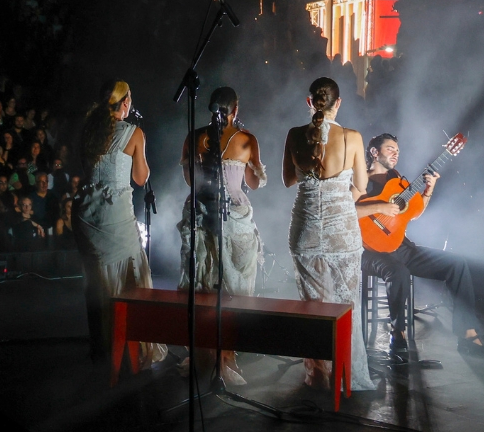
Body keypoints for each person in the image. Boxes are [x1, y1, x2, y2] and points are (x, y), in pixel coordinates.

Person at [282, 77, 374, 393]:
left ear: (310, 103)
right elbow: (361, 186)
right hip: (342, 230)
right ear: (339, 103)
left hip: (305, 227)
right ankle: (346, 375)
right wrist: (336, 200)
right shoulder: (352, 137)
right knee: (347, 303)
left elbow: (287, 179)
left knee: (312, 303)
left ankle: (317, 374)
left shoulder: (294, 135)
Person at [359, 133, 483, 355]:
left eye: (397, 150)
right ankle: (398, 334)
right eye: (390, 149)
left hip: (401, 246)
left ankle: (467, 333)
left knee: (457, 264)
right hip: (370, 250)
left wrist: (429, 189)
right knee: (399, 272)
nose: (396, 154)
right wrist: (380, 208)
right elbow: (343, 211)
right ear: (374, 152)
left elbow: (414, 212)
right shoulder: (360, 180)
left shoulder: (397, 179)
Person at [176, 86, 267, 384]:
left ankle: (205, 353)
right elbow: (252, 183)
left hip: (202, 214)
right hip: (234, 216)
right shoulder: (246, 139)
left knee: (203, 283)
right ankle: (227, 355)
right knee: (235, 287)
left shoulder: (194, 137)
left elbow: (190, 180)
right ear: (235, 109)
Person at [74, 80, 167, 365]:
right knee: (131, 276)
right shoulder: (133, 133)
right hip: (114, 214)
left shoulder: (89, 130)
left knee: (95, 281)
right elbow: (141, 178)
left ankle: (100, 346)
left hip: (87, 213)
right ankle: (129, 344)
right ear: (125, 103)